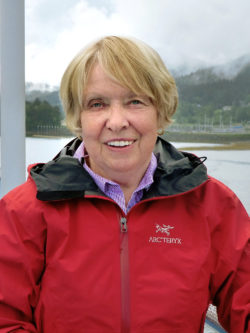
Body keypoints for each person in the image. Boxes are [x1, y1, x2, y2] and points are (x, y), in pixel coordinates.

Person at [0, 36, 249, 333]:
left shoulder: (212, 204)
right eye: (97, 104)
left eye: (135, 101)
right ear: (78, 117)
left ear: (161, 111)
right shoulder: (25, 211)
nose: (116, 121)